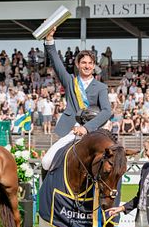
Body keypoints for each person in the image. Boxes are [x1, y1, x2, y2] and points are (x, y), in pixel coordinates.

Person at [41, 27, 112, 173]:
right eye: (84, 63)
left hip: (94, 133)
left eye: (90, 63)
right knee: (46, 162)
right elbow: (56, 62)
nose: (87, 66)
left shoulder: (101, 87)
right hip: (70, 131)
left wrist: (86, 128)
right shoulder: (70, 81)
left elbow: (106, 111)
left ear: (94, 65)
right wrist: (49, 40)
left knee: (111, 166)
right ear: (78, 65)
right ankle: (47, 195)